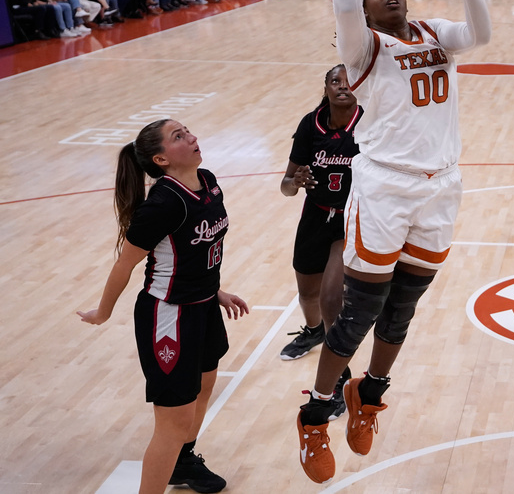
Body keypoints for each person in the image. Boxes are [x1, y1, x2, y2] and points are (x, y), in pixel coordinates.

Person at [296, 0, 491, 484]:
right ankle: (314, 415)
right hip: (384, 186)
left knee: (402, 311)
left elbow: (482, 33)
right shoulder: (363, 50)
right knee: (360, 312)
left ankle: (370, 398)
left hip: (442, 186)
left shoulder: (435, 33)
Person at [77, 120, 249, 494]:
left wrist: (217, 292)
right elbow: (126, 264)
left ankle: (184, 462)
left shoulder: (208, 180)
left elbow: (194, 253)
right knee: (172, 422)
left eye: (187, 130)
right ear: (161, 159)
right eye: (179, 137)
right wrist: (102, 312)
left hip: (204, 306)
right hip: (169, 315)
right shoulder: (164, 203)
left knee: (204, 388)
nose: (192, 137)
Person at [278, 66, 362, 405]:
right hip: (314, 216)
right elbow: (285, 187)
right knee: (307, 295)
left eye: (348, 81)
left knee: (331, 301)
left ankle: (340, 380)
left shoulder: (370, 122)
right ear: (325, 87)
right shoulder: (309, 124)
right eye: (335, 82)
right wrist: (295, 182)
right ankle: (313, 332)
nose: (342, 87)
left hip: (351, 220)